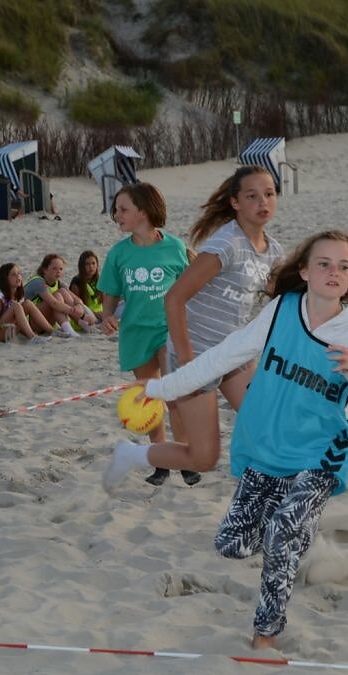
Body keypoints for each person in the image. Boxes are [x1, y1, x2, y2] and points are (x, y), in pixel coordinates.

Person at [107, 231, 348, 648]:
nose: (333, 272)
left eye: (344, 266)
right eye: (323, 263)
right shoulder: (283, 310)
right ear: (303, 270)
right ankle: (300, 532)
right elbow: (222, 356)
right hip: (268, 447)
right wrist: (159, 389)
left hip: (322, 454)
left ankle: (266, 633)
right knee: (232, 543)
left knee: (283, 530)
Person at [102, 166, 285, 486]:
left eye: (269, 194)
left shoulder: (273, 251)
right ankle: (140, 455)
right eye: (252, 195)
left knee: (266, 419)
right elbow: (174, 297)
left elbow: (277, 295)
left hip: (231, 351)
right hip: (189, 348)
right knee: (197, 450)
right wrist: (188, 363)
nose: (263, 202)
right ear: (235, 203)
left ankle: (274, 487)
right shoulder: (225, 243)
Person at [98, 184, 199, 486]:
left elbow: (189, 287)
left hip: (169, 330)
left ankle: (183, 457)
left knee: (175, 396)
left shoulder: (174, 248)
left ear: (143, 211)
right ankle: (161, 462)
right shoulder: (119, 253)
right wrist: (106, 317)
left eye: (123, 209)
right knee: (150, 398)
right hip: (135, 332)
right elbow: (111, 292)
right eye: (116, 210)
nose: (117, 215)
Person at [24, 254, 98, 336]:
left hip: (47, 323)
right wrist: (81, 314)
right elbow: (54, 304)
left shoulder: (58, 282)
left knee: (62, 291)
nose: (58, 271)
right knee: (57, 297)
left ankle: (82, 324)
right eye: (54, 269)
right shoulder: (38, 282)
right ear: (45, 270)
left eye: (61, 269)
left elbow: (76, 299)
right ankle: (69, 329)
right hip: (31, 324)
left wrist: (79, 306)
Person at [0, 263, 54, 343]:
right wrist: (4, 326)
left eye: (19, 274)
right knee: (16, 306)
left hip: (10, 328)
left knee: (27, 303)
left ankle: (52, 331)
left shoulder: (18, 295)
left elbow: (20, 318)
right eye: (13, 275)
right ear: (5, 279)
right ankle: (33, 337)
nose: (18, 277)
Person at [69, 250, 104, 323]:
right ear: (82, 266)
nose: (91, 267)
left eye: (93, 263)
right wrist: (97, 314)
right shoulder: (77, 282)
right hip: (88, 316)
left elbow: (105, 302)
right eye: (87, 264)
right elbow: (78, 308)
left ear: (97, 265)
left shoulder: (99, 280)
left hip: (101, 315)